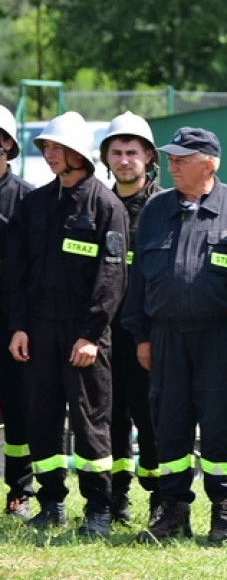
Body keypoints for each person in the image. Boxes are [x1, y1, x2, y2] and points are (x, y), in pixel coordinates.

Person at [122, 127, 227, 544]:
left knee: (221, 425)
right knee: (170, 423)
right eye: (171, 157)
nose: (171, 164)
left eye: (181, 158)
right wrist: (142, 335)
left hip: (219, 334)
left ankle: (224, 510)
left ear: (209, 164)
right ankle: (174, 510)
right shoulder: (157, 209)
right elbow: (138, 280)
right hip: (165, 337)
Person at [5, 111, 130, 536]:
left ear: (79, 152)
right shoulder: (35, 203)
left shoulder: (106, 205)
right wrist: (20, 326)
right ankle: (51, 502)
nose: (49, 155)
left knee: (90, 420)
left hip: (84, 334)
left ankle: (98, 508)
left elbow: (112, 276)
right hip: (38, 330)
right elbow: (18, 272)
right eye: (45, 148)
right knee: (41, 417)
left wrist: (91, 335)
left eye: (56, 148)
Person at [100, 111, 164, 526]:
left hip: (149, 334)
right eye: (117, 153)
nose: (124, 160)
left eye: (132, 153)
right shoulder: (98, 205)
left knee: (152, 416)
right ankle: (115, 499)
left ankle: (162, 498)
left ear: (148, 157)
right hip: (105, 333)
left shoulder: (162, 208)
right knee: (109, 419)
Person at [0, 106, 34, 518]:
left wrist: (23, 324)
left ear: (7, 143)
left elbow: (35, 270)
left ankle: (19, 492)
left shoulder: (26, 199)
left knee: (18, 409)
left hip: (11, 323)